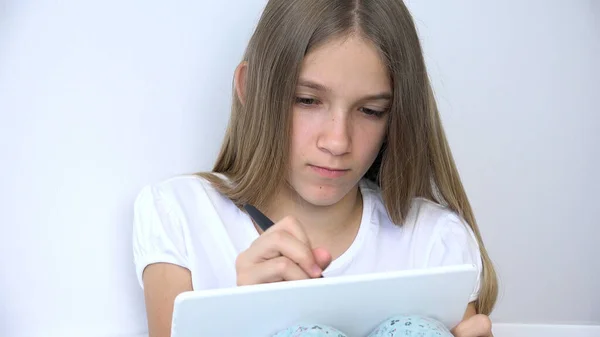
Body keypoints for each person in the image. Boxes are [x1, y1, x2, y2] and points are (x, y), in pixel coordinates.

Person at [132, 0, 498, 336]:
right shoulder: (180, 215)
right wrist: (244, 315)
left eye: (370, 111)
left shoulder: (433, 239)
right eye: (307, 100)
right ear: (251, 89)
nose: (338, 142)